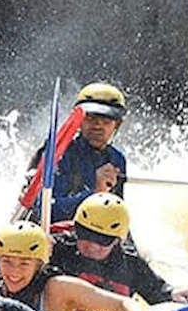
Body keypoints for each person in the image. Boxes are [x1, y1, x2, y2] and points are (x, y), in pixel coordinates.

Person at [50, 193, 188, 311]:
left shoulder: (130, 263)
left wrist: (172, 293)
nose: (92, 246)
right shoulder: (59, 250)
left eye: (102, 240)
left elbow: (157, 291)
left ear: (117, 241)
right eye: (85, 234)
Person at [0, 222, 162, 311]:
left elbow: (123, 303)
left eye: (24, 263)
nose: (14, 272)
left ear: (39, 265)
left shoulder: (59, 288)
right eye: (7, 261)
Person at [49, 82, 129, 222]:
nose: (97, 126)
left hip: (94, 231)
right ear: (78, 120)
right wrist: (96, 194)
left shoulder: (117, 159)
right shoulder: (58, 152)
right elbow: (46, 211)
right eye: (90, 118)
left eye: (106, 120)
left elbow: (115, 214)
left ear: (117, 124)